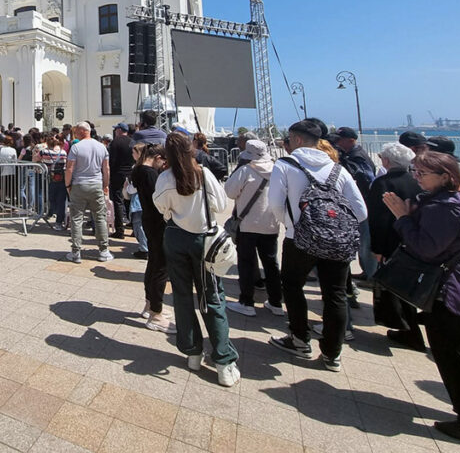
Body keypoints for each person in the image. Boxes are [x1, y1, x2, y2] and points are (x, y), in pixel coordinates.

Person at [383, 152, 460, 448]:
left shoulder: (446, 209)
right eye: (416, 171)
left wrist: (403, 218)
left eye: (424, 173)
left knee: (454, 358)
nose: (417, 177)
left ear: (445, 176)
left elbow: (426, 248)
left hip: (449, 290)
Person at [268, 120, 367, 372]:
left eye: (288, 140)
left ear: (297, 140)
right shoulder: (338, 169)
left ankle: (300, 339)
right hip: (337, 241)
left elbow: (276, 204)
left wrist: (293, 225)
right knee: (334, 295)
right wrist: (336, 226)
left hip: (299, 239)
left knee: (292, 286)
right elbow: (361, 211)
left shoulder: (285, 165)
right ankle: (332, 353)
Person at [153, 132, 240, 387]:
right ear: (191, 149)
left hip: (176, 237)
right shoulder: (202, 173)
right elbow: (222, 204)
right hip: (203, 240)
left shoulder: (165, 178)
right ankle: (223, 360)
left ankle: (192, 351)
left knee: (181, 296)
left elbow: (160, 206)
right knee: (211, 297)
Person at [366, 142, 425, 350]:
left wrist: (377, 248)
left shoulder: (383, 184)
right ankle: (410, 329)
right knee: (407, 286)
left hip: (392, 241)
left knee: (396, 287)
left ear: (387, 161)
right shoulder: (415, 181)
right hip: (414, 240)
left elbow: (378, 219)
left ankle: (408, 330)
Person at [224, 140, 282, 318]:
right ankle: (276, 302)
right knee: (271, 264)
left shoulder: (245, 170)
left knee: (246, 264)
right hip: (271, 224)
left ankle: (246, 301)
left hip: (248, 223)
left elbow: (230, 192)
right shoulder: (278, 171)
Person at [131, 143, 173, 333]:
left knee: (154, 263)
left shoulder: (139, 170)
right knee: (160, 266)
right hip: (158, 222)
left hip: (150, 220)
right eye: (162, 161)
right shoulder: (149, 174)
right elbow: (160, 199)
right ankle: (156, 311)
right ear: (157, 158)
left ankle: (151, 305)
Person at [333, 126, 378, 283]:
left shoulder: (358, 156)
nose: (337, 144)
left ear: (351, 141)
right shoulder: (349, 155)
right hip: (352, 204)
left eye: (340, 140)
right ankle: (366, 271)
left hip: (363, 204)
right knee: (361, 242)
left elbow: (367, 179)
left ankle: (372, 276)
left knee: (366, 243)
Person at [63, 121, 112, 263]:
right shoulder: (101, 147)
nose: (75, 133)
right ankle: (103, 250)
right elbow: (106, 168)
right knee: (100, 217)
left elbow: (70, 168)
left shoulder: (76, 147)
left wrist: (67, 185)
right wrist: (105, 185)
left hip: (79, 184)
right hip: (96, 184)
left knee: (76, 219)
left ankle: (76, 252)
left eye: (77, 131)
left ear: (83, 131)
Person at [108, 123, 135, 239]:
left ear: (119, 130)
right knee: (132, 200)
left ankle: (120, 230)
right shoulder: (132, 142)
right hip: (130, 173)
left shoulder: (115, 142)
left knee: (118, 201)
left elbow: (112, 161)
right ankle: (135, 226)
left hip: (117, 174)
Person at [37, 135, 68, 230]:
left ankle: (50, 212)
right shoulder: (63, 152)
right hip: (62, 178)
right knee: (61, 200)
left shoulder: (44, 152)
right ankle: (59, 222)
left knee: (50, 198)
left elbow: (35, 159)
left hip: (49, 178)